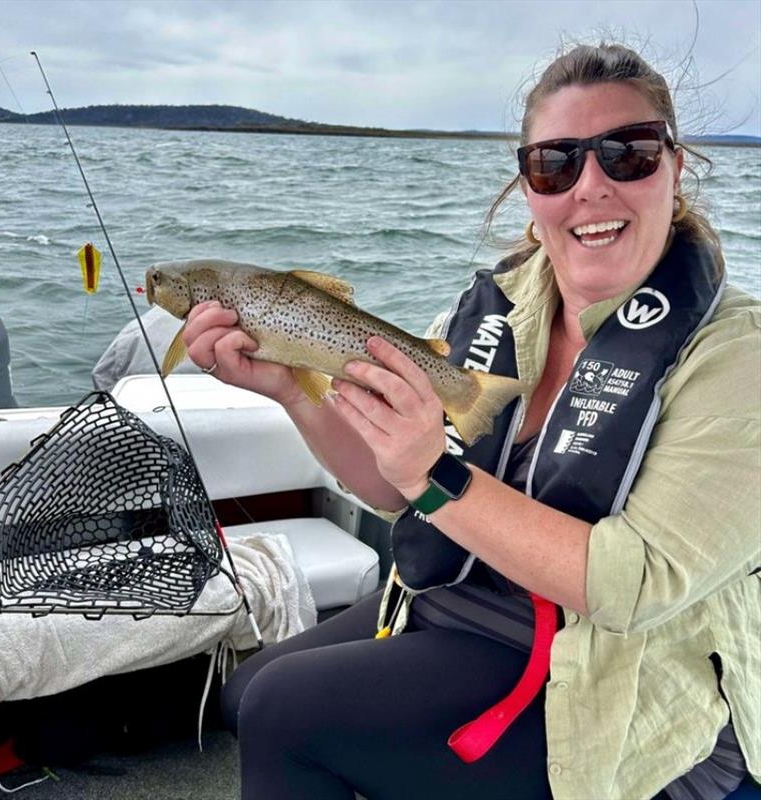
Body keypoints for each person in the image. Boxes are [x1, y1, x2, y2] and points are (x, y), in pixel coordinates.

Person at [182, 43, 759, 800]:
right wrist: (293, 392)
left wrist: (437, 474)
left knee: (283, 713)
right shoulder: (500, 309)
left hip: (610, 674)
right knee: (246, 690)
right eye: (557, 164)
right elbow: (393, 494)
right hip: (455, 606)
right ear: (529, 186)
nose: (591, 187)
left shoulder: (734, 357)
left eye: (628, 154)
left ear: (675, 168)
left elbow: (635, 585)